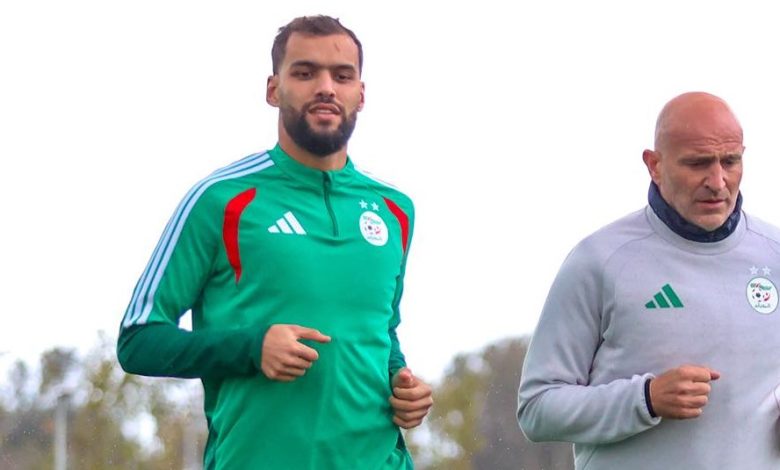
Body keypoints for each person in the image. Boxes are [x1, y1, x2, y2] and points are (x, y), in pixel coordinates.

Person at [117, 15, 432, 470]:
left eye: (342, 76)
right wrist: (251, 348)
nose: (326, 88)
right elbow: (138, 339)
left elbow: (381, 330)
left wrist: (403, 383)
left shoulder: (395, 210)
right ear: (273, 89)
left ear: (361, 94)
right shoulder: (221, 200)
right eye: (305, 73)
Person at [517, 92, 780, 469]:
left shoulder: (774, 254)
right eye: (698, 163)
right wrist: (645, 399)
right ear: (654, 165)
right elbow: (536, 409)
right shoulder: (599, 260)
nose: (717, 181)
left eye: (730, 161)